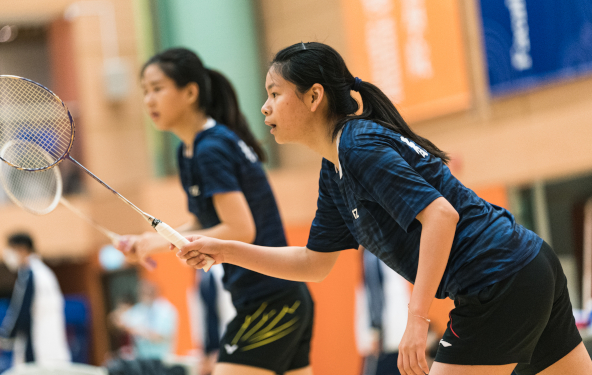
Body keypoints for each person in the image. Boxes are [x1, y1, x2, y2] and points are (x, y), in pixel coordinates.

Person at [177, 42, 592, 375]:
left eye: (274, 94)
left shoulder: (357, 146)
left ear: (314, 97)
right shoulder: (335, 165)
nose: (264, 107)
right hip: (529, 265)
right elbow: (313, 263)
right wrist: (224, 250)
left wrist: (416, 319)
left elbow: (440, 216)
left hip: (497, 279)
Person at [118, 48, 314, 375]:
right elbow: (203, 221)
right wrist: (151, 241)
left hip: (270, 300)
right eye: (144, 91)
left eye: (157, 88)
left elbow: (239, 229)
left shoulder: (211, 149)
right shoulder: (189, 150)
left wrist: (169, 244)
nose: (148, 100)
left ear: (191, 92)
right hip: (278, 297)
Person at [0, 232, 71, 366]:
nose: (8, 255)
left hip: (38, 355)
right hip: (56, 354)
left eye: (10, 249)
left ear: (22, 249)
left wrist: (1, 339)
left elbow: (21, 313)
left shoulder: (29, 275)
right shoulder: (46, 273)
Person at [113, 280, 178, 361]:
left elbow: (159, 338)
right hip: (143, 359)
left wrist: (138, 330)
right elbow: (116, 320)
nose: (143, 296)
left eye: (146, 293)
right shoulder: (141, 309)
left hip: (162, 359)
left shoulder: (166, 310)